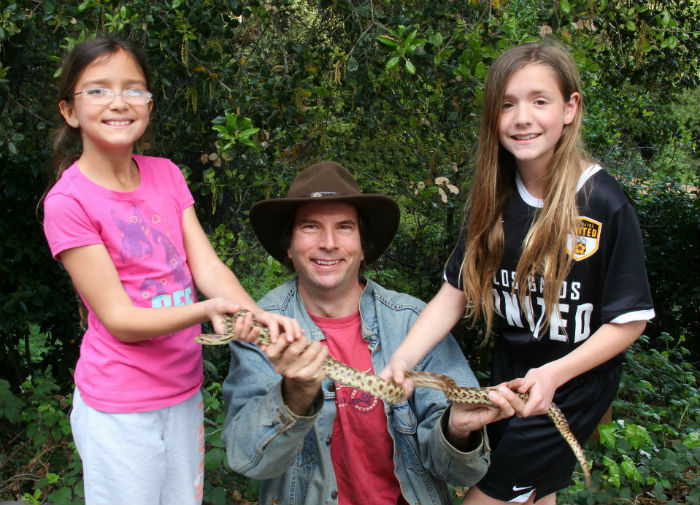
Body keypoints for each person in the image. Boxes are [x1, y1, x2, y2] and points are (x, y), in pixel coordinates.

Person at [381, 42, 655, 505]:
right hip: (510, 378)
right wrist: (402, 360)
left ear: (570, 108)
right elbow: (455, 292)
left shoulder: (603, 203)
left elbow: (630, 320)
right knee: (531, 495)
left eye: (539, 100)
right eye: (507, 104)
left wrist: (554, 374)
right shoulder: (495, 200)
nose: (522, 117)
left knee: (491, 495)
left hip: (570, 387)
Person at [41, 38, 301, 505]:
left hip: (183, 392)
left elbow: (207, 265)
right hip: (119, 408)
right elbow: (119, 318)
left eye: (133, 89)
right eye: (97, 90)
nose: (119, 101)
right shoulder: (68, 203)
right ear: (69, 111)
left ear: (149, 104)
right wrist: (208, 310)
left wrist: (256, 315)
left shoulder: (165, 174)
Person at [222, 161, 519, 505]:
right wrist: (296, 394)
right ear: (288, 246)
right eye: (311, 227)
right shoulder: (264, 327)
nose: (329, 243)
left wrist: (456, 429)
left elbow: (462, 473)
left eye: (345, 227)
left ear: (364, 247)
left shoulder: (414, 323)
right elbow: (246, 459)